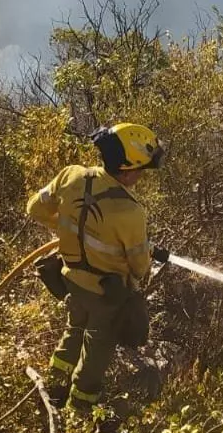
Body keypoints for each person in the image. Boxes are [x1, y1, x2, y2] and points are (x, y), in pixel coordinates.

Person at [26, 122, 169, 413]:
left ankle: (54, 385)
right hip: (106, 294)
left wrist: (72, 233)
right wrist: (142, 250)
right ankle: (80, 407)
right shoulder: (131, 212)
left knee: (74, 328)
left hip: (71, 280)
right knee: (97, 350)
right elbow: (139, 267)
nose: (141, 176)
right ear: (127, 169)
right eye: (141, 170)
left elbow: (35, 209)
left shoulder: (72, 175)